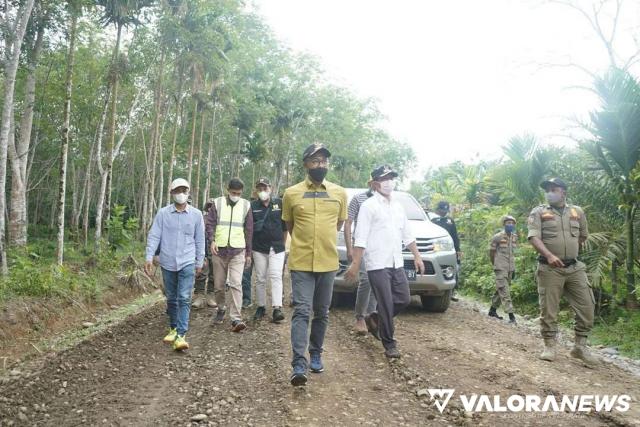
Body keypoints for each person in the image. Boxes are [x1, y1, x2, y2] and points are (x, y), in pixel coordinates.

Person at [283, 143, 347, 386]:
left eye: (324, 161)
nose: (320, 165)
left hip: (328, 262)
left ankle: (316, 353)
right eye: (315, 161)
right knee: (301, 310)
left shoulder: (339, 193)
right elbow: (290, 226)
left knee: (322, 312)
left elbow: (338, 225)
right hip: (301, 262)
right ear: (305, 164)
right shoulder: (291, 193)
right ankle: (299, 363)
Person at [345, 165, 425, 359]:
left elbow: (407, 235)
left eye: (391, 178)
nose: (388, 182)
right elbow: (361, 237)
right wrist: (355, 263)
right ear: (374, 183)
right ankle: (389, 343)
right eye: (384, 179)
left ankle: (375, 318)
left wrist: (417, 255)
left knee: (404, 298)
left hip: (396, 261)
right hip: (377, 263)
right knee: (386, 302)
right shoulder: (368, 206)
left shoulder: (397, 206)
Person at [527, 177, 598, 367]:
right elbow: (534, 237)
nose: (549, 192)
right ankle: (549, 346)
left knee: (587, 307)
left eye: (553, 189)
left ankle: (580, 347)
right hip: (549, 269)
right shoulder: (539, 212)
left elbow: (583, 236)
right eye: (547, 189)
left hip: (575, 267)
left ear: (563, 192)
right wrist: (550, 255)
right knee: (549, 310)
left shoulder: (577, 212)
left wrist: (568, 252)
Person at [144, 178, 205, 351]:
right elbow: (154, 235)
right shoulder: (163, 214)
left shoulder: (196, 215)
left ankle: (181, 335)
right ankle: (173, 327)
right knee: (171, 297)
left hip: (187, 261)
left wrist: (199, 261)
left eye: (184, 190)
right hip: (167, 261)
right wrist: (149, 257)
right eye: (177, 191)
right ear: (171, 193)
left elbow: (200, 239)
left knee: (184, 297)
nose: (181, 194)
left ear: (188, 192)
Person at [206, 178, 253, 333]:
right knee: (219, 286)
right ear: (228, 190)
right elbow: (210, 223)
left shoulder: (246, 205)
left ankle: (236, 318)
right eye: (233, 193)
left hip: (237, 251)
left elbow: (249, 230)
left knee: (235, 283)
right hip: (219, 251)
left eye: (238, 193)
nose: (236, 195)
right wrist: (211, 240)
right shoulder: (217, 203)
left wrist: (248, 253)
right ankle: (221, 308)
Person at [251, 178, 288, 323]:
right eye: (259, 189)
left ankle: (277, 308)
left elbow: (285, 227)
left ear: (270, 188)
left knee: (276, 276)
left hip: (277, 247)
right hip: (259, 248)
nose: (262, 191)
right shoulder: (253, 206)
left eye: (264, 188)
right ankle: (261, 306)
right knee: (260, 278)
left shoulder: (279, 204)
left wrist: (282, 245)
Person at [344, 174, 377, 335]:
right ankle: (360, 317)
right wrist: (350, 248)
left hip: (379, 247)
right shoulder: (358, 199)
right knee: (366, 279)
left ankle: (372, 315)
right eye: (376, 181)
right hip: (361, 245)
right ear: (370, 182)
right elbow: (348, 222)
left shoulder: (387, 200)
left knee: (377, 279)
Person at [488, 215, 518, 324]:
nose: (510, 225)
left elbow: (512, 254)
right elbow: (491, 252)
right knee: (505, 291)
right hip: (500, 267)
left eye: (512, 223)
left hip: (510, 268)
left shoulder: (514, 237)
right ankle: (511, 316)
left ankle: (492, 310)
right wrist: (495, 264)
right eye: (508, 223)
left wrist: (513, 269)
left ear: (514, 225)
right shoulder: (498, 237)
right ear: (504, 224)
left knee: (500, 289)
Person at [431, 200, 461, 301]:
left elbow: (455, 236)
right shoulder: (432, 220)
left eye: (445, 210)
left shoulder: (450, 221)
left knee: (454, 268)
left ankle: (453, 291)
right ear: (437, 209)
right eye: (442, 210)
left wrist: (458, 250)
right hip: (434, 249)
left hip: (448, 249)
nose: (444, 212)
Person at [193, 199, 217, 309]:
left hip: (216, 250)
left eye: (212, 206)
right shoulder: (200, 219)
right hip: (203, 249)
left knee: (214, 274)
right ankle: (199, 295)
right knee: (201, 272)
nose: (210, 208)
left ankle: (210, 295)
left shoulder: (220, 220)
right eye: (209, 206)